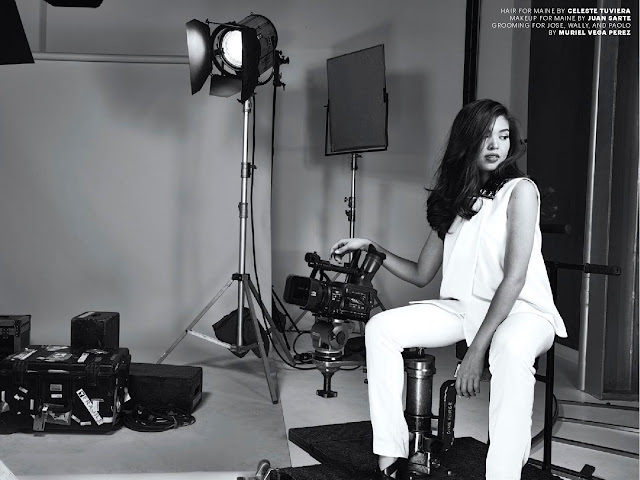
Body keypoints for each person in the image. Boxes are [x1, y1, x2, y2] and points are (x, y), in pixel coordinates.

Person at [329, 99, 567, 480]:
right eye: (485, 136)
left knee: (509, 347)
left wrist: (475, 352)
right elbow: (421, 273)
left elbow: (514, 279)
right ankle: (391, 455)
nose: (495, 145)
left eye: (503, 136)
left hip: (522, 310)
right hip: (464, 308)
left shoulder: (521, 191)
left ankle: (503, 474)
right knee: (380, 329)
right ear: (466, 141)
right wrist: (372, 247)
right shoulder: (457, 199)